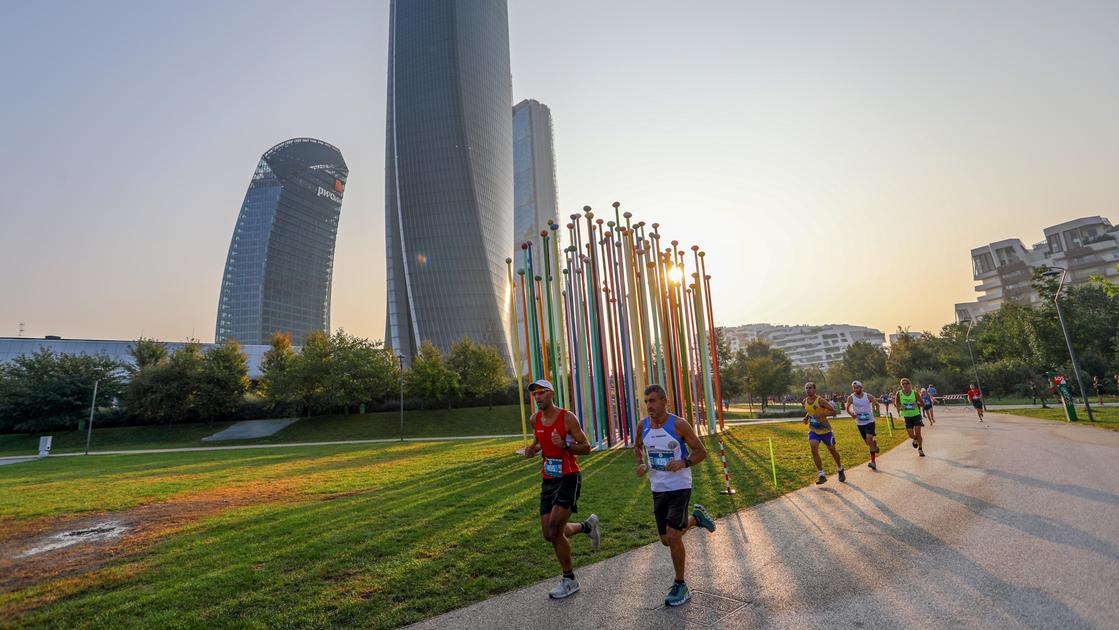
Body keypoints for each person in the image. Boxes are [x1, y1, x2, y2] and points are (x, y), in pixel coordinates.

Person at [634, 384, 716, 607]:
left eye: (652, 401)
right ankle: (696, 518)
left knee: (673, 535)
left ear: (664, 401)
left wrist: (684, 462)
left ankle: (681, 585)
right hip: (658, 488)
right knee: (665, 540)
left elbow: (702, 451)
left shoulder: (678, 424)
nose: (649, 405)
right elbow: (638, 448)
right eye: (646, 401)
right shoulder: (643, 426)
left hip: (680, 486)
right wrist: (641, 464)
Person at [521, 379, 601, 599]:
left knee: (556, 529)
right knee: (549, 533)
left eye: (542, 393)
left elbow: (586, 447)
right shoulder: (534, 419)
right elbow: (539, 443)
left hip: (568, 477)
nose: (538, 397)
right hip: (548, 478)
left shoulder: (567, 417)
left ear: (551, 394)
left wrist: (565, 445)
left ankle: (569, 580)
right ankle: (587, 526)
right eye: (535, 394)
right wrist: (532, 449)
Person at [802, 382, 845, 484]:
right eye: (806, 388)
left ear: (814, 389)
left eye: (810, 388)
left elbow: (834, 412)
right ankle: (821, 474)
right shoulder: (805, 401)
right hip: (813, 430)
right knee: (813, 449)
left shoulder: (821, 400)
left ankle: (840, 468)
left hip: (826, 430)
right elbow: (810, 410)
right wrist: (806, 417)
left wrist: (822, 414)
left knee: (832, 450)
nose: (808, 390)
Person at [845, 380, 882, 470]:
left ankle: (873, 462)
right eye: (854, 388)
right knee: (868, 443)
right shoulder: (851, 398)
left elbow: (877, 404)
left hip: (870, 421)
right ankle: (874, 444)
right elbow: (847, 408)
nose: (856, 389)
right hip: (860, 423)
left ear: (861, 387)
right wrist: (852, 414)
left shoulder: (868, 396)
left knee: (869, 441)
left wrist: (876, 409)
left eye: (858, 387)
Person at [896, 378, 926, 456]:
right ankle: (915, 439)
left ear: (910, 384)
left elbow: (922, 403)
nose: (905, 385)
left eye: (907, 383)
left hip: (916, 415)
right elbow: (897, 403)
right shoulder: (899, 394)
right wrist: (899, 408)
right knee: (911, 435)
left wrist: (918, 404)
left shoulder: (915, 393)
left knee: (918, 433)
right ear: (901, 385)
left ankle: (920, 449)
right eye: (903, 384)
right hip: (907, 417)